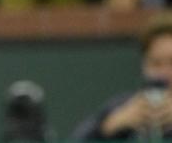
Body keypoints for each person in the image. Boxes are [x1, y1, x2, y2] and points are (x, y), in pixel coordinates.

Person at [72, 12, 172, 140]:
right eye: (156, 64)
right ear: (144, 66)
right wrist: (110, 126)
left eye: (171, 62)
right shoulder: (124, 105)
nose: (164, 73)